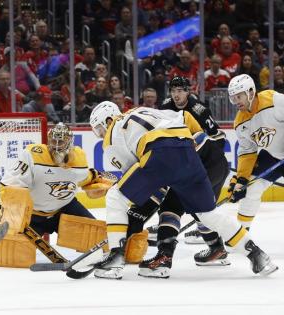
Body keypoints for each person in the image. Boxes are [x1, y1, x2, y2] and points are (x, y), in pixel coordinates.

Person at [87, 102, 278, 279]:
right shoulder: (143, 110)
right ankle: (257, 254)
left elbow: (136, 176)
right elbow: (183, 116)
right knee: (207, 214)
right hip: (188, 150)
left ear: (108, 120)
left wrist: (130, 221)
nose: (100, 134)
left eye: (99, 128)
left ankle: (114, 260)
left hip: (159, 153)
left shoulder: (112, 135)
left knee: (115, 196)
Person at [139, 76, 230, 267]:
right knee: (201, 209)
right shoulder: (165, 107)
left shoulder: (199, 110)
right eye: (173, 91)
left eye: (180, 90)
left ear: (188, 91)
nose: (176, 95)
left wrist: (204, 154)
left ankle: (216, 246)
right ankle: (216, 247)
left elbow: (219, 138)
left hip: (206, 164)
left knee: (200, 209)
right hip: (187, 165)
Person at [0, 123, 107, 236]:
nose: (56, 146)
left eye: (60, 142)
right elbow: (11, 184)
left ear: (69, 142)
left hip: (64, 209)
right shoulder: (34, 155)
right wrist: (13, 209)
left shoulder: (79, 158)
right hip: (32, 215)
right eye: (53, 141)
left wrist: (94, 178)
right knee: (17, 249)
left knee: (98, 235)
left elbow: (82, 178)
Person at [227, 74, 284, 231]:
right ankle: (241, 234)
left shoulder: (273, 100)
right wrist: (241, 180)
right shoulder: (240, 122)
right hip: (272, 156)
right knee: (251, 188)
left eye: (239, 96)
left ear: (251, 92)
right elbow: (247, 152)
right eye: (233, 98)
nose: (236, 101)